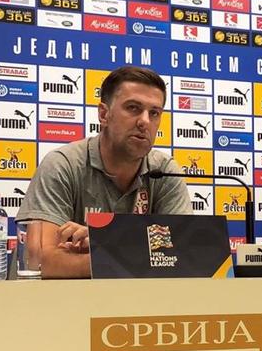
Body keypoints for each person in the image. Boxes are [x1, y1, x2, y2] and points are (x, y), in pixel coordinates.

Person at [16, 66, 193, 278]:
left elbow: (184, 253)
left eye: (154, 113)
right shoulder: (62, 165)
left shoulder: (165, 172)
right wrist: (129, 256)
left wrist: (105, 246)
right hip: (64, 299)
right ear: (103, 114)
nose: (145, 121)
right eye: (133, 108)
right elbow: (37, 259)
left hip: (135, 297)